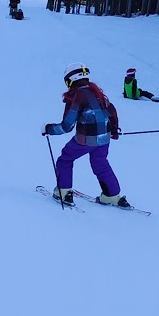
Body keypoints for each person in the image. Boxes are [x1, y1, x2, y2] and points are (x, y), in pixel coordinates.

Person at [44, 63, 129, 208]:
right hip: (104, 138)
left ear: (70, 80)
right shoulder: (98, 94)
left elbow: (67, 126)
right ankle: (112, 196)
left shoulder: (76, 97)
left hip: (85, 140)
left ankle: (63, 192)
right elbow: (112, 111)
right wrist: (114, 130)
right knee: (100, 162)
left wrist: (48, 129)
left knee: (65, 159)